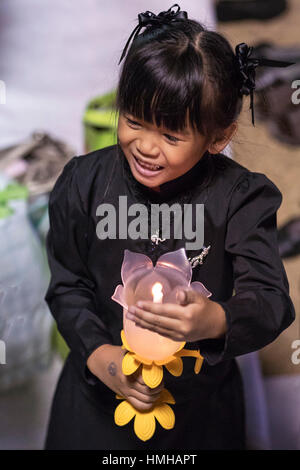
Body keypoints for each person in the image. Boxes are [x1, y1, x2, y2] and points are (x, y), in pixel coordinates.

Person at [43, 5, 295, 450]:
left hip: (200, 402)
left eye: (171, 136)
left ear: (218, 138)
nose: (145, 146)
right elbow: (67, 286)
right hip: (98, 388)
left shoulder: (242, 198)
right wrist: (103, 359)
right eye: (133, 120)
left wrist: (215, 318)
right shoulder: (83, 183)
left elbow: (271, 302)